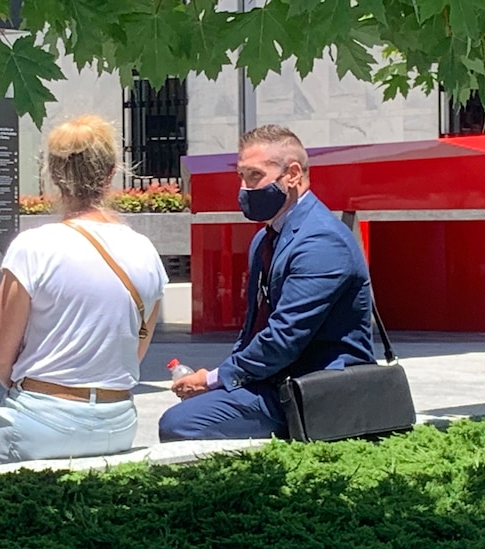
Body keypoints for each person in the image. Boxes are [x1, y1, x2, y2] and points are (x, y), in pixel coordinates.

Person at [158, 124, 375, 441]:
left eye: (255, 176)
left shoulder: (322, 242)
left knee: (181, 424)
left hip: (320, 389)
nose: (244, 189)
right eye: (242, 177)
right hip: (277, 381)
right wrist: (226, 376)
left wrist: (216, 378)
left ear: (293, 175)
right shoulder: (265, 238)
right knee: (195, 412)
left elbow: (284, 336)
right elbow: (254, 329)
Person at [0, 114, 169, 465]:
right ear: (112, 172)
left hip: (42, 419)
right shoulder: (144, 250)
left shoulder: (33, 246)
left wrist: (34, 392)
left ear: (52, 176)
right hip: (118, 420)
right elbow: (135, 350)